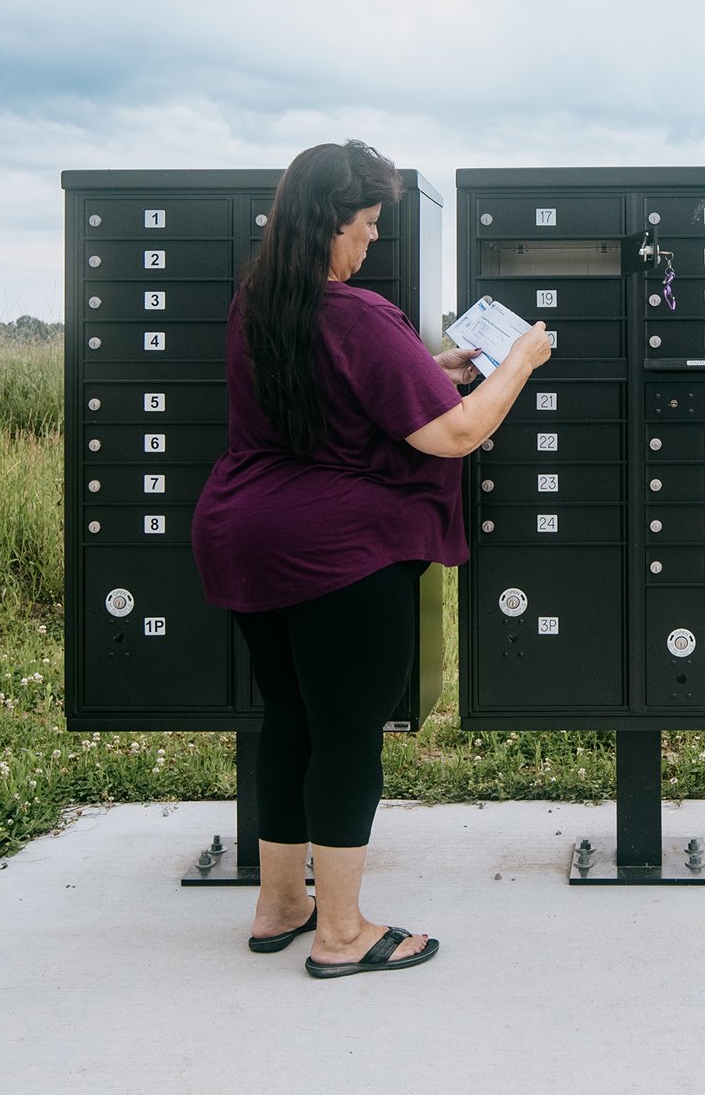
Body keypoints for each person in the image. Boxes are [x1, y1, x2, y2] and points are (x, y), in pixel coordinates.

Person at [191, 140, 551, 977]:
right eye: (364, 227)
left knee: (291, 719)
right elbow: (458, 433)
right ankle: (342, 933)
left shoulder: (259, 305)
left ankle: (281, 903)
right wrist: (520, 363)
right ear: (328, 226)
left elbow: (333, 391)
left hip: (246, 538)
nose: (368, 245)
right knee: (349, 734)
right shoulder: (356, 313)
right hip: (338, 554)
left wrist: (431, 368)